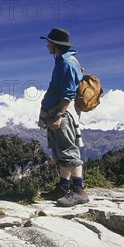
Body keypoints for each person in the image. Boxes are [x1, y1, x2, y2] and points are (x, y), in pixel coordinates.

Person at [38, 28, 88, 207]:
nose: (47, 45)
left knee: (68, 151)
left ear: (55, 44)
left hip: (63, 113)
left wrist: (59, 115)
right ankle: (63, 187)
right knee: (61, 151)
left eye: (49, 42)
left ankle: (79, 191)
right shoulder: (63, 62)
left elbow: (67, 93)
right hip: (59, 112)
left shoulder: (66, 64)